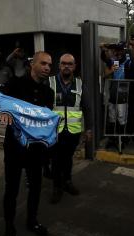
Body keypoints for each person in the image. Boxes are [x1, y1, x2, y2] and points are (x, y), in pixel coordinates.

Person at [0, 51, 54, 236]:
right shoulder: (15, 84)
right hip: (14, 148)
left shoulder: (48, 92)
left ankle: (32, 221)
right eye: (44, 63)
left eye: (49, 64)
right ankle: (9, 229)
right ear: (33, 64)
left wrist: (47, 145)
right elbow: (0, 102)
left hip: (36, 150)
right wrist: (10, 122)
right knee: (11, 189)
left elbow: (46, 121)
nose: (47, 67)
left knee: (36, 187)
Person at [48, 53, 90, 204]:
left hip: (73, 131)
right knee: (56, 160)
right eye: (63, 63)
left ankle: (67, 182)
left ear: (74, 66)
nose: (66, 66)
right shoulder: (50, 82)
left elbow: (87, 108)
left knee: (67, 159)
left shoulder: (79, 84)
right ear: (59, 65)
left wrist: (89, 129)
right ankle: (56, 187)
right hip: (54, 131)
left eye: (69, 64)